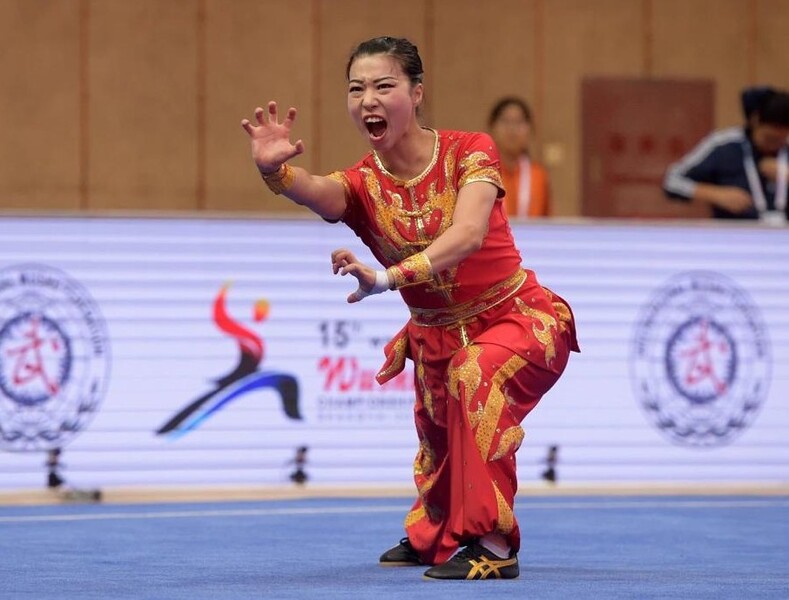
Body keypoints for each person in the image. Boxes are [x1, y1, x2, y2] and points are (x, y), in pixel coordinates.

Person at [241, 36, 578, 581]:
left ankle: (494, 545)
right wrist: (275, 175)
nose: (367, 99)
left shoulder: (472, 151)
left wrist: (386, 278)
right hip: (437, 331)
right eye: (356, 89)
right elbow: (319, 191)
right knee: (438, 432)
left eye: (383, 86)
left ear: (416, 93)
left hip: (518, 318)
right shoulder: (363, 185)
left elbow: (468, 234)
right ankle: (439, 535)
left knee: (476, 376)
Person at [663, 86, 789, 224]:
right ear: (755, 121)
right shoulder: (723, 144)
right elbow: (672, 181)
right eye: (770, 139)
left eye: (783, 138)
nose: (776, 144)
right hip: (733, 236)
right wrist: (717, 195)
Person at [487, 96, 551, 218]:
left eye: (519, 122)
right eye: (505, 121)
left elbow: (547, 222)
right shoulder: (482, 175)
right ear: (492, 128)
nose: (512, 129)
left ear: (530, 129)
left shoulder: (539, 175)